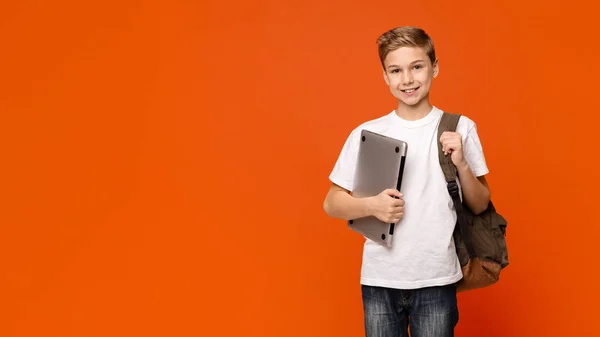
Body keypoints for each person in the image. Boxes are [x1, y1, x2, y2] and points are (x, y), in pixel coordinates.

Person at [322, 26, 492, 337]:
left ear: (435, 67)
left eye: (417, 66)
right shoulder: (368, 133)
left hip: (437, 278)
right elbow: (332, 202)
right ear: (385, 77)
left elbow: (480, 204)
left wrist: (462, 164)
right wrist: (372, 205)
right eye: (395, 70)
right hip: (380, 278)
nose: (407, 79)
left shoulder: (459, 127)